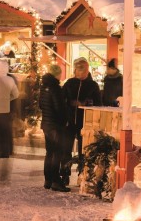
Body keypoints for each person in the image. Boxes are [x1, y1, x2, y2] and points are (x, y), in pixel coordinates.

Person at [61, 57, 102, 185]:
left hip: (85, 122)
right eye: (77, 70)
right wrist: (69, 103)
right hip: (69, 121)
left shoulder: (93, 85)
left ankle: (82, 174)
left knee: (84, 150)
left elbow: (98, 104)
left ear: (86, 71)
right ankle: (65, 174)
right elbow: (62, 100)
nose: (79, 73)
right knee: (66, 149)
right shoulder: (69, 83)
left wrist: (86, 104)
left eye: (81, 70)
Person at [39, 65, 70, 192]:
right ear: (57, 74)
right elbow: (59, 108)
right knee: (57, 153)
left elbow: (41, 105)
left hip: (46, 123)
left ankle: (48, 179)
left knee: (49, 152)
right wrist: (65, 121)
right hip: (55, 125)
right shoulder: (55, 88)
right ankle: (56, 181)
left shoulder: (44, 86)